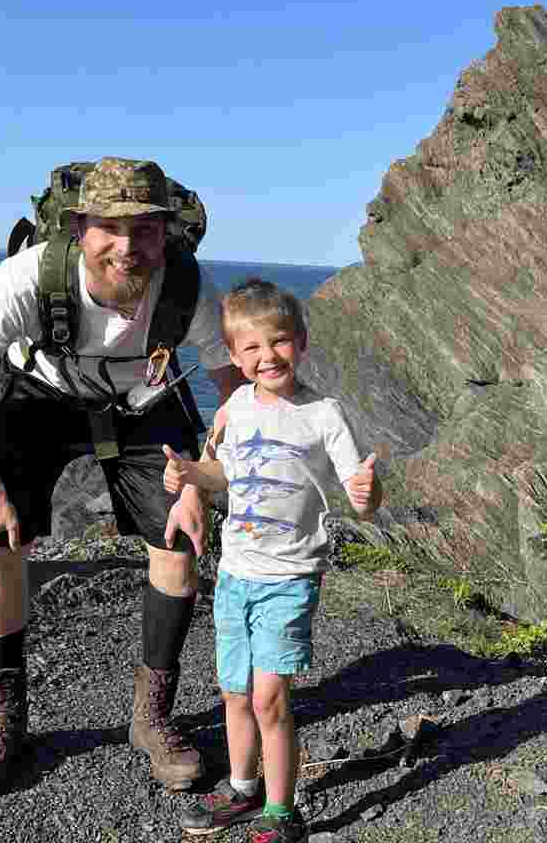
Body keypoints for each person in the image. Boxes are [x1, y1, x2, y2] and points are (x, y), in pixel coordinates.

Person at [0, 157, 245, 792]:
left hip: (143, 400)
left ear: (167, 232)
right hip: (38, 392)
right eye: (109, 227)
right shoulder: (25, 281)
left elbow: (234, 389)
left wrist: (202, 477)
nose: (127, 246)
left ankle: (152, 717)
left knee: (179, 540)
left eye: (145, 229)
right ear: (79, 229)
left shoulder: (189, 289)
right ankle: (0, 719)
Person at [163, 278, 382, 842]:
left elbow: (360, 492)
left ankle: (283, 811)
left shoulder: (323, 414)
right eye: (253, 347)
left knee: (269, 699)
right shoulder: (235, 406)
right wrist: (190, 473)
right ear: (234, 356)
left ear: (301, 342)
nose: (268, 356)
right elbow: (222, 473)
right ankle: (242, 788)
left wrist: (367, 494)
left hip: (289, 577)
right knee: (234, 693)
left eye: (279, 341)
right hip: (234, 575)